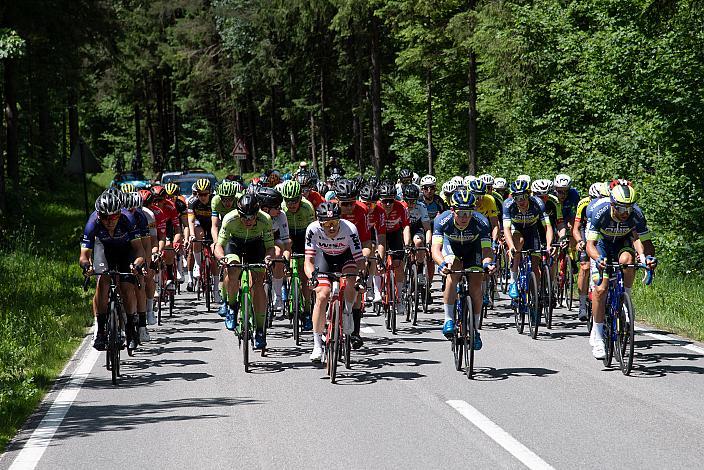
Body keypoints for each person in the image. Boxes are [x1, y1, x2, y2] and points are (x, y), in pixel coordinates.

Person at [586, 183, 657, 359]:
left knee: (628, 261)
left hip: (622, 243)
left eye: (629, 208)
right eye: (621, 208)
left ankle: (625, 296)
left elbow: (646, 243)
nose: (625, 212)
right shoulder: (599, 213)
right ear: (612, 204)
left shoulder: (637, 215)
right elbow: (590, 245)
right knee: (601, 289)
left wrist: (648, 259)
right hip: (602, 245)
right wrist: (598, 259)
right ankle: (598, 334)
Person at [80, 191, 146, 351]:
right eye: (104, 217)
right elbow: (84, 255)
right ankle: (101, 331)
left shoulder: (128, 219)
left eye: (114, 217)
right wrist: (86, 266)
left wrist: (137, 264)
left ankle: (130, 328)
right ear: (98, 215)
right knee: (103, 282)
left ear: (119, 214)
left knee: (127, 287)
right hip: (104, 249)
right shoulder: (92, 223)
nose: (109, 221)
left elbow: (139, 250)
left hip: (125, 251)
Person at [431, 190, 495, 349]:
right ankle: (448, 319)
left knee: (476, 285)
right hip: (451, 247)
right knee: (453, 270)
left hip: (473, 249)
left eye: (468, 213)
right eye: (461, 213)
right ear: (453, 211)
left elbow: (487, 250)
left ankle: (474, 329)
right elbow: (435, 249)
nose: (465, 217)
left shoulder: (481, 222)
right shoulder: (442, 220)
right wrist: (441, 265)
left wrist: (487, 264)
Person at [304, 202, 364, 362]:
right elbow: (308, 261)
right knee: (322, 295)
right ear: (319, 223)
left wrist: (360, 276)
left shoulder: (349, 229)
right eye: (327, 224)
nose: (331, 228)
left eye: (334, 223)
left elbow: (359, 259)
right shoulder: (312, 229)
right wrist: (312, 278)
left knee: (351, 281)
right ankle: (317, 345)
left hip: (346, 257)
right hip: (324, 258)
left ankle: (348, 312)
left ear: (340, 220)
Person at [214, 194, 275, 350]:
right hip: (235, 244)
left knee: (259, 283)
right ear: (238, 213)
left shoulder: (265, 219)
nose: (248, 220)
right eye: (244, 217)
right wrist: (222, 258)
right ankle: (232, 307)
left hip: (256, 245)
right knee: (233, 269)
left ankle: (260, 330)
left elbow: (269, 247)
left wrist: (268, 258)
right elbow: (218, 246)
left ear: (257, 214)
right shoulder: (230, 219)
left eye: (251, 217)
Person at [336, 179, 371, 349]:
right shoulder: (329, 211)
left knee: (356, 287)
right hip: (332, 250)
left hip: (354, 251)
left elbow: (366, 243)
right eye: (345, 204)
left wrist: (363, 263)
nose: (349, 207)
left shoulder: (362, 210)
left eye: (352, 203)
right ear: (337, 201)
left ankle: (355, 331)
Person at [502, 180, 553, 299]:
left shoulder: (538, 203)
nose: (521, 201)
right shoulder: (508, 205)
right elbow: (507, 229)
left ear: (529, 195)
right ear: (513, 197)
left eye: (524, 197)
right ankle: (513, 282)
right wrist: (511, 247)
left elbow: (548, 227)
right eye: (517, 197)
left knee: (535, 266)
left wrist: (549, 245)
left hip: (532, 230)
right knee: (518, 244)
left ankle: (535, 294)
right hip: (516, 229)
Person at [281, 179, 314, 330]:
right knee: (283, 261)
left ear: (300, 198)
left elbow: (312, 232)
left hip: (304, 235)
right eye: (288, 201)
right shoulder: (281, 208)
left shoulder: (307, 207)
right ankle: (283, 285)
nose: (291, 204)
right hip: (287, 236)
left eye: (294, 200)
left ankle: (307, 311)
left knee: (303, 275)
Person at [572, 182, 606, 321]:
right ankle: (582, 303)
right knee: (585, 267)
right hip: (586, 230)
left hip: (602, 232)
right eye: (594, 199)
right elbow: (576, 227)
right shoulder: (584, 204)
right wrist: (580, 241)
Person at [378, 182, 411, 316]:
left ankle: (399, 298)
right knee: (379, 259)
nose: (388, 204)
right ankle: (377, 287)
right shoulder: (377, 208)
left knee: (398, 264)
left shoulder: (401, 207)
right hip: (380, 234)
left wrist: (407, 245)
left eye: (390, 201)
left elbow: (406, 227)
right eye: (385, 201)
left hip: (395, 233)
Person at [257, 187, 291, 314]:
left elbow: (286, 241)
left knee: (278, 253)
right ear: (265, 208)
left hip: (274, 240)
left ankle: (277, 294)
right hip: (256, 242)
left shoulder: (281, 215)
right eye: (276, 207)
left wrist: (286, 259)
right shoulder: (256, 216)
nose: (279, 209)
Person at [187, 178, 220, 304]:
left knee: (215, 258)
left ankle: (216, 290)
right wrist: (191, 235)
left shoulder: (215, 201)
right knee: (197, 235)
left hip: (213, 225)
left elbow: (217, 223)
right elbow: (190, 221)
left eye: (205, 194)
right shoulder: (193, 202)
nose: (202, 197)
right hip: (199, 223)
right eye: (200, 194)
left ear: (210, 192)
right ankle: (197, 264)